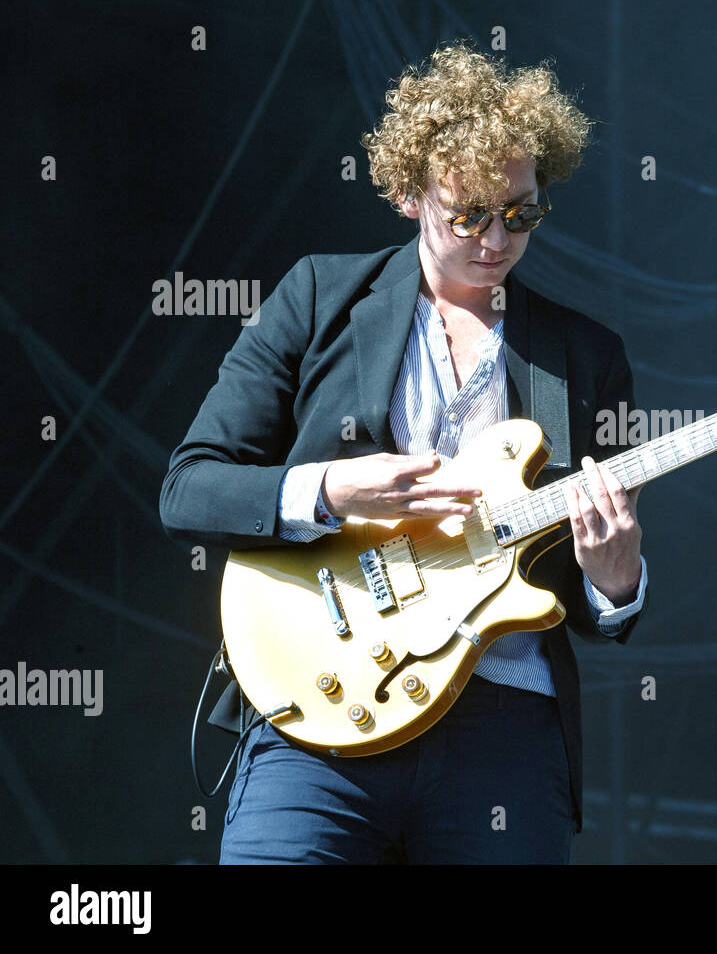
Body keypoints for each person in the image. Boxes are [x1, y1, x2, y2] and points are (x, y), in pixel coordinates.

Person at [159, 44, 647, 863]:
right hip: (319, 715)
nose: (496, 239)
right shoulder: (317, 296)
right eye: (469, 215)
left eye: (520, 214)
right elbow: (190, 489)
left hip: (505, 735)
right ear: (404, 193)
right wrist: (329, 492)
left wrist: (618, 578)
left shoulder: (587, 354)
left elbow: (604, 601)